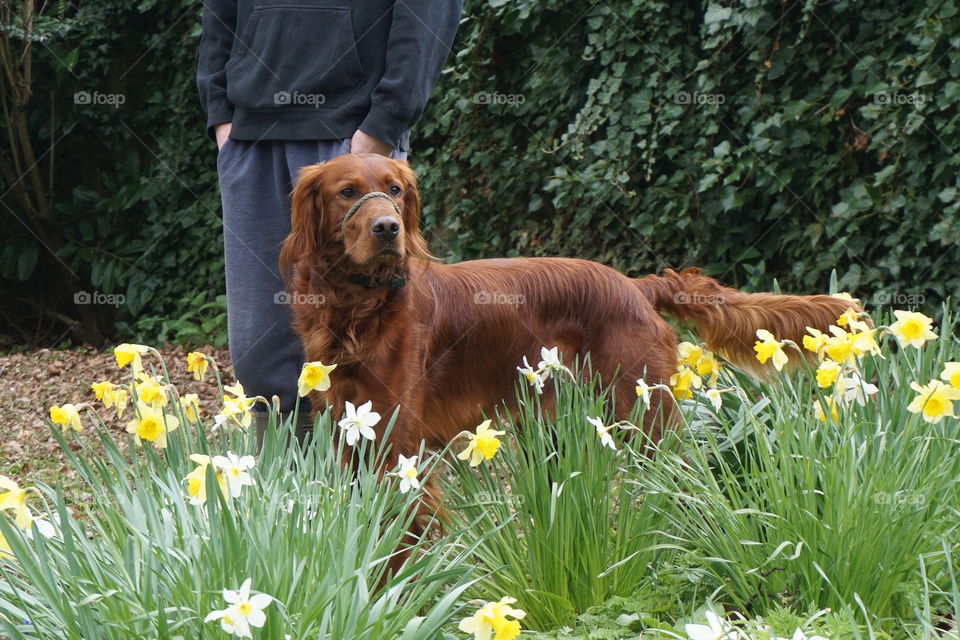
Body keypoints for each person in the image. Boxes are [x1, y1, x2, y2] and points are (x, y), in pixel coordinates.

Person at [197, 1, 462, 435]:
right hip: (251, 136)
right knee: (258, 340)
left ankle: (377, 490)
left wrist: (383, 125)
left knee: (376, 337)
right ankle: (284, 491)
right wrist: (221, 114)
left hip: (353, 135)